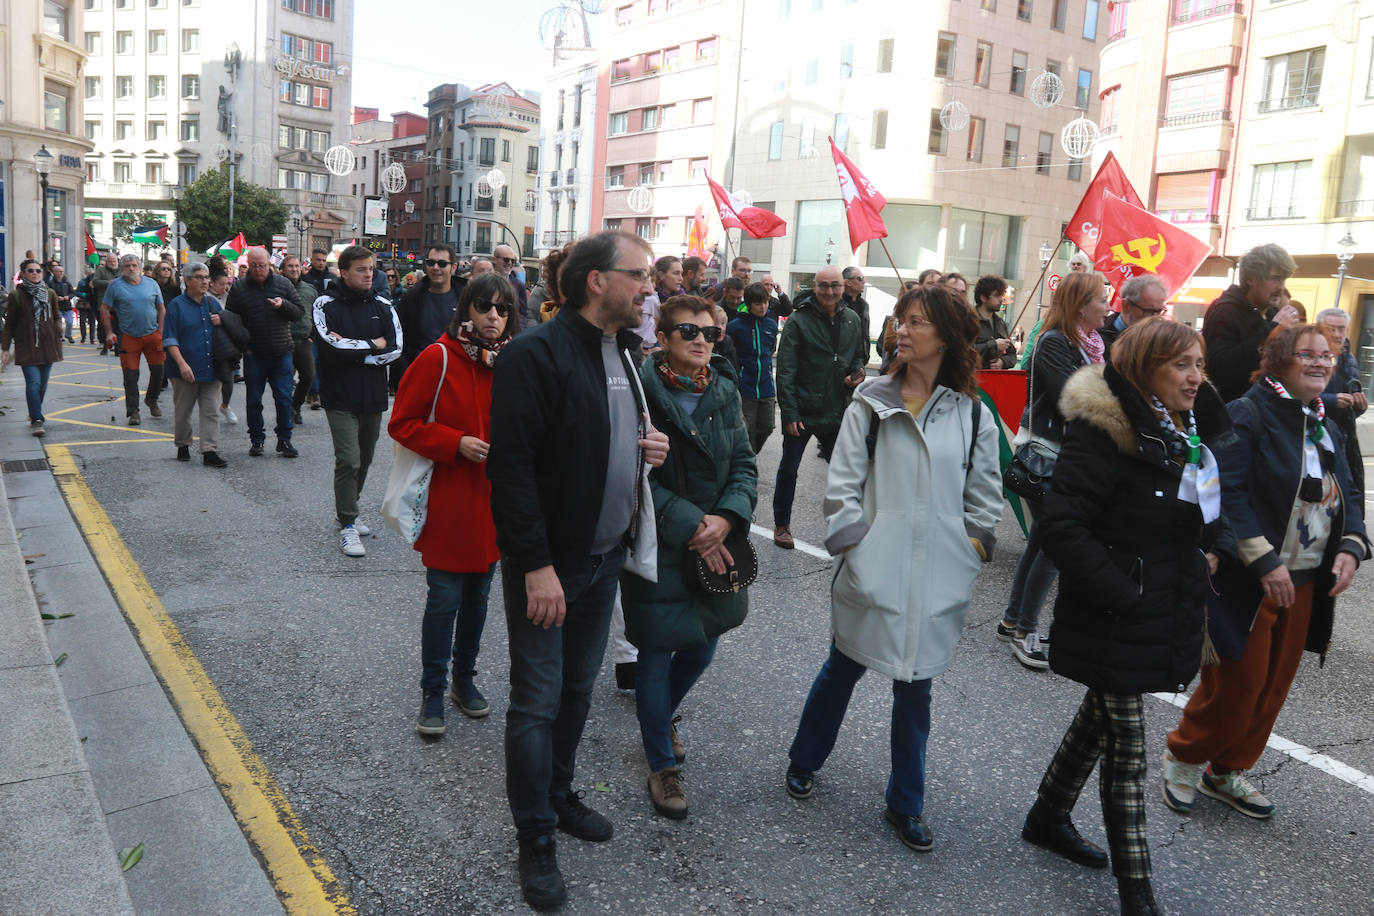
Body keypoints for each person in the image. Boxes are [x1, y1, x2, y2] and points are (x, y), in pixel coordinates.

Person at [1024, 319, 1235, 915]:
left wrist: (1214, 549)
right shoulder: (1104, 430)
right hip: (1117, 607)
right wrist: (1122, 593)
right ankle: (1137, 889)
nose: (1197, 377)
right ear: (1145, 369)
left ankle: (1048, 814)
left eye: (1200, 364)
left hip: (1161, 603)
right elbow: (1062, 525)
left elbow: (1208, 505)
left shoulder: (1188, 429)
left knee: (1100, 717)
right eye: (1182, 365)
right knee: (1128, 747)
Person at [486, 231, 669, 911]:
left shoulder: (624, 349)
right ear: (597, 281)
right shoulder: (534, 354)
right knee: (535, 701)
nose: (649, 287)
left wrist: (648, 446)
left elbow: (603, 434)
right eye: (639, 275)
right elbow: (513, 471)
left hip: (604, 559)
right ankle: (535, 840)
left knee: (576, 694)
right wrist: (535, 567)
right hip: (551, 566)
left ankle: (558, 797)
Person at [784, 284, 1001, 853]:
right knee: (842, 670)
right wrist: (859, 552)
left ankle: (906, 803)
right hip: (871, 571)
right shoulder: (871, 404)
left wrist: (969, 551)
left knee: (916, 692)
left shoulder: (973, 414)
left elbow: (984, 498)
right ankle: (803, 760)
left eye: (917, 322)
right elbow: (842, 488)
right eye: (900, 320)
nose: (901, 331)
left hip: (938, 578)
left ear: (949, 337)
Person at [1161, 324, 1369, 824]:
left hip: (1305, 580)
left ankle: (1226, 770)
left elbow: (1351, 494)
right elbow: (1225, 496)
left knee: (1273, 687)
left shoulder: (1328, 422)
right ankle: (1185, 757)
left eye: (1329, 354)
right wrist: (1263, 560)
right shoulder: (1248, 413)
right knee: (1238, 684)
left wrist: (1352, 547)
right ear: (1279, 360)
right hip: (1248, 580)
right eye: (1308, 354)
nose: (1321, 363)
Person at [620, 294, 756, 818]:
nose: (702, 340)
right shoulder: (639, 391)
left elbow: (744, 463)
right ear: (663, 336)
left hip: (716, 542)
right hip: (659, 541)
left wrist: (726, 518)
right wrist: (691, 521)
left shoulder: (723, 389)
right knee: (656, 653)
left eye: (710, 333)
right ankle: (661, 764)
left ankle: (660, 719)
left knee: (701, 646)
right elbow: (626, 475)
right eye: (688, 331)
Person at [391, 274, 517, 735]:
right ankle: (432, 691)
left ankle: (465, 680)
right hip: (448, 499)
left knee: (479, 600)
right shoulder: (437, 356)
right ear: (467, 309)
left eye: (503, 309)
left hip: (492, 504)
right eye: (484, 306)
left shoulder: (511, 361)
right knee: (444, 600)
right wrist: (453, 441)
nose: (493, 316)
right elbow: (402, 424)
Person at [999, 270, 1110, 669]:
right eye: (1101, 299)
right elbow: (1078, 397)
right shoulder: (1053, 342)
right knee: (1055, 545)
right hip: (1047, 454)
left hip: (1067, 455)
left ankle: (1013, 618)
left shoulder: (1091, 345)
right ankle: (1025, 631)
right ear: (1081, 306)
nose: (1107, 305)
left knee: (1043, 540)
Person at [313, 246, 402, 557]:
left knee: (363, 460)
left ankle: (347, 509)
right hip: (339, 395)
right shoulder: (325, 304)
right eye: (361, 269)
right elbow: (329, 349)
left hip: (373, 396)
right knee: (348, 460)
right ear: (344, 272)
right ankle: (348, 524)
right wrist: (369, 347)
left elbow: (394, 348)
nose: (369, 274)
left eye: (371, 269)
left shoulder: (383, 304)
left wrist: (356, 355)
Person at [772, 265, 867, 549]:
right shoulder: (798, 321)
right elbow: (785, 370)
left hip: (837, 408)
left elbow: (858, 356)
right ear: (814, 287)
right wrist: (789, 412)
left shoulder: (852, 318)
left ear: (843, 287)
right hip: (802, 410)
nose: (830, 291)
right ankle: (781, 525)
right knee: (789, 469)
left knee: (848, 472)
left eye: (835, 285)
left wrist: (858, 372)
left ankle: (848, 524)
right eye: (824, 285)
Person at [227, 248, 303, 457]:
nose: (259, 270)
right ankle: (257, 440)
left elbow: (299, 313)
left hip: (281, 353)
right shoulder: (240, 287)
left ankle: (284, 440)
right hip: (254, 355)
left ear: (270, 264)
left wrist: (283, 305)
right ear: (248, 265)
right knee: (254, 400)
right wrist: (244, 346)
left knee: (284, 399)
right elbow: (231, 320)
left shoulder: (283, 284)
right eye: (254, 266)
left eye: (262, 265)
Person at [1202, 243, 1301, 402]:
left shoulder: (1271, 313)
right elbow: (1220, 368)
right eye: (1274, 278)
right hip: (1234, 412)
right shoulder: (1226, 311)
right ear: (1251, 279)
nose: (1281, 287)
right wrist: (1272, 331)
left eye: (1284, 279)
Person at [162, 263, 229, 468]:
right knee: (183, 410)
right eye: (199, 277)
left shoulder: (213, 303)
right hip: (184, 369)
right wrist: (182, 364)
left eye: (206, 277)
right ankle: (183, 444)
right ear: (187, 280)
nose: (205, 281)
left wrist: (223, 320)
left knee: (211, 410)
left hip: (211, 367)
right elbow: (169, 338)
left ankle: (210, 450)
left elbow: (225, 331)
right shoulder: (176, 305)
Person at [100, 254, 166, 426]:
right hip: (129, 336)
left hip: (153, 334)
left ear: (140, 267)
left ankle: (151, 399)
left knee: (159, 372)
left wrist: (161, 330)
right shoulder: (115, 285)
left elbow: (161, 308)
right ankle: (133, 411)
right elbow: (104, 308)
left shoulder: (152, 283)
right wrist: (109, 332)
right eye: (127, 265)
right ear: (122, 268)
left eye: (134, 265)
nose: (131, 268)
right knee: (130, 376)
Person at [2, 260, 65, 436]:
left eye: (38, 270)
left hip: (49, 346)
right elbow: (10, 324)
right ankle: (37, 420)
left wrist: (59, 328)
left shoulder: (50, 293)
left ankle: (34, 411)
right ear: (23, 273)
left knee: (42, 386)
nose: (35, 273)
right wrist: (5, 348)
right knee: (33, 383)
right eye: (31, 270)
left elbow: (57, 316)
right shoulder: (16, 296)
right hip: (27, 346)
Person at [1316, 307, 1367, 504]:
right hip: (1316, 435)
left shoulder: (1347, 356)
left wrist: (1358, 404)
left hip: (1342, 437)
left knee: (1347, 492)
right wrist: (1331, 400)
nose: (1337, 334)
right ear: (1319, 328)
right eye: (1331, 329)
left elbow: (1352, 395)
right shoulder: (1311, 355)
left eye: (1341, 329)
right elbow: (1298, 395)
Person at [396, 244, 466, 380]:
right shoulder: (411, 299)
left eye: (442, 264)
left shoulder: (466, 298)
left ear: (453, 267)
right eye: (431, 262)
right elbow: (400, 340)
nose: (435, 267)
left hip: (457, 375)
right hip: (420, 374)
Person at [726, 281, 780, 454]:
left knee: (767, 426)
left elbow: (771, 349)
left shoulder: (771, 325)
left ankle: (750, 455)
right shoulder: (735, 326)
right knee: (747, 429)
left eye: (765, 302)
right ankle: (748, 463)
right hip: (745, 387)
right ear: (748, 305)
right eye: (757, 303)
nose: (762, 307)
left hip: (766, 387)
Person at [278, 255, 318, 426]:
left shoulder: (310, 289)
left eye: (297, 266)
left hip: (304, 340)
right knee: (285, 380)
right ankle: (286, 411)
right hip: (283, 341)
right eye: (290, 266)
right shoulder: (277, 288)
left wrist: (313, 335)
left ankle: (296, 406)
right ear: (283, 269)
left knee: (309, 376)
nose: (294, 269)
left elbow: (317, 314)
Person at [1100, 275, 1168, 356]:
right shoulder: (1095, 339)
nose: (1155, 318)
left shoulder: (1161, 343)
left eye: (1159, 311)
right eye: (1149, 311)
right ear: (1126, 306)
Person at [206, 270, 240, 426]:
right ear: (211, 282)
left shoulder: (229, 297)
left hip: (227, 343)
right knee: (211, 380)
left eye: (227, 284)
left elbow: (237, 317)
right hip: (209, 342)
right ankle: (209, 410)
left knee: (228, 378)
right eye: (221, 284)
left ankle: (225, 405)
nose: (224, 287)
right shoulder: (205, 297)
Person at [972, 274, 1017, 369]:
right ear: (983, 297)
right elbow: (963, 353)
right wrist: (994, 345)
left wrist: (1002, 362)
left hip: (996, 381)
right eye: (996, 295)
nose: (1001, 299)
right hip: (972, 379)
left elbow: (1012, 354)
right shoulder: (968, 320)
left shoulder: (1001, 323)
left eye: (1002, 295)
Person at [841, 266, 872, 362]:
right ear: (848, 282)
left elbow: (865, 334)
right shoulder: (836, 304)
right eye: (860, 278)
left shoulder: (864, 305)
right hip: (842, 361)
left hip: (860, 361)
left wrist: (865, 355)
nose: (864, 281)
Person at [47, 264, 76, 343]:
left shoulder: (67, 282)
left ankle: (68, 335)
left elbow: (73, 293)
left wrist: (68, 297)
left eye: (62, 272)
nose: (61, 273)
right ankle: (59, 336)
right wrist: (56, 297)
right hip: (57, 306)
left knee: (70, 322)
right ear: (54, 272)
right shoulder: (51, 283)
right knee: (58, 324)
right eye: (59, 272)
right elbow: (47, 293)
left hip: (67, 305)